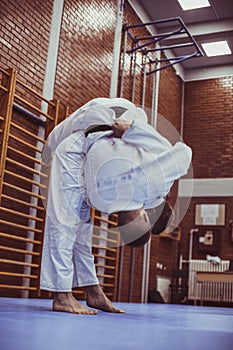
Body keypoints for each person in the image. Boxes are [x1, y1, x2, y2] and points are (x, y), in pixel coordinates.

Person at [40, 98, 192, 315]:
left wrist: (133, 131)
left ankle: (92, 292)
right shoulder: (111, 199)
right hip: (95, 132)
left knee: (74, 227)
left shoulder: (133, 190)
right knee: (67, 224)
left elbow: (184, 154)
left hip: (85, 141)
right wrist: (132, 131)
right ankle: (63, 295)